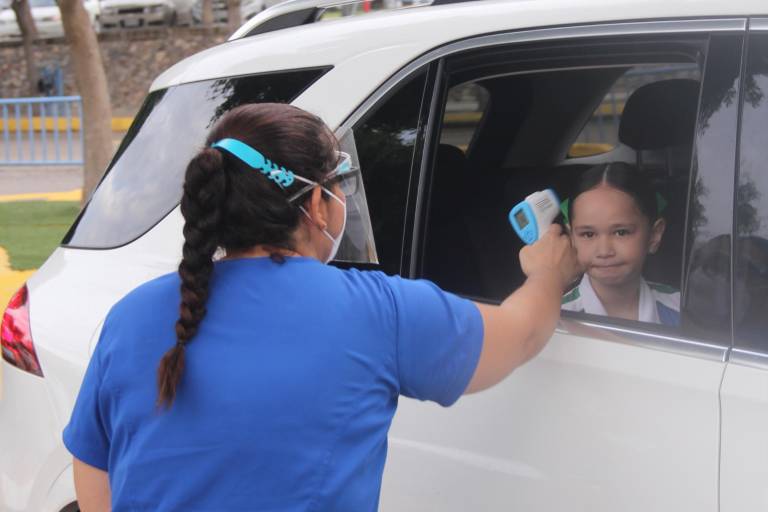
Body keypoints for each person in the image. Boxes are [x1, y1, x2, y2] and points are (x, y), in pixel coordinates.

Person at [63, 103, 581, 512]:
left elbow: (93, 464)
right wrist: (548, 273)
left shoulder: (130, 316)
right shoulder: (374, 311)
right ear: (315, 204)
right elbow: (522, 333)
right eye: (341, 183)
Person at [561, 162, 680, 325]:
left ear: (654, 235)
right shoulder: (555, 319)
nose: (604, 251)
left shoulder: (682, 309)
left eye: (621, 232)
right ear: (572, 237)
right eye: (588, 234)